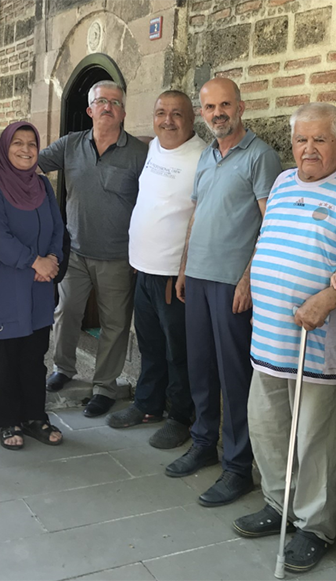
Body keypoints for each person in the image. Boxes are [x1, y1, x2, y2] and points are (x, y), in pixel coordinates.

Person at [232, 103, 336, 573]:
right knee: (267, 427)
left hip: (319, 344)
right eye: (302, 139)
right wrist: (249, 278)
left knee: (317, 440)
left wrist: (328, 299)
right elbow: (266, 240)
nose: (309, 149)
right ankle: (278, 504)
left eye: (320, 139)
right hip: (268, 339)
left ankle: (314, 527)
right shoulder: (282, 182)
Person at [164, 78, 282, 506]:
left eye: (225, 105)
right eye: (210, 107)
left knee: (234, 378)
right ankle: (202, 443)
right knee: (201, 368)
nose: (218, 113)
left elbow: (270, 223)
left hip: (232, 283)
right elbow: (197, 214)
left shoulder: (261, 156)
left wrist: (249, 279)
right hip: (197, 278)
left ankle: (237, 467)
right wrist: (183, 268)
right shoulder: (208, 155)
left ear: (240, 107)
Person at [38, 81, 148, 417]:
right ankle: (63, 368)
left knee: (114, 324)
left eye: (115, 102)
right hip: (75, 251)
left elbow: (152, 202)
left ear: (123, 112)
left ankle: (104, 386)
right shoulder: (70, 144)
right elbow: (31, 164)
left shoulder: (140, 153)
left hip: (118, 256)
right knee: (67, 311)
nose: (108, 107)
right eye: (101, 101)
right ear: (90, 110)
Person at [106, 91, 205, 449]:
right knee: (149, 344)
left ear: (192, 118)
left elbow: (201, 216)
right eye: (161, 112)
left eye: (176, 114)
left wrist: (184, 269)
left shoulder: (203, 157)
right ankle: (148, 405)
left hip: (173, 276)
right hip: (143, 268)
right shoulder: (151, 150)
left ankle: (180, 416)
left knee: (178, 350)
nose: (168, 120)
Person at [0, 122, 65, 449]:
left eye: (32, 144)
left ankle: (35, 417)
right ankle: (8, 420)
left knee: (34, 356)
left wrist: (52, 258)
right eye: (18, 143)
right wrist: (34, 261)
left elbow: (57, 227)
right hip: (4, 283)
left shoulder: (42, 185)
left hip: (38, 285)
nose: (26, 150)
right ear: (4, 148)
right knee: (3, 358)